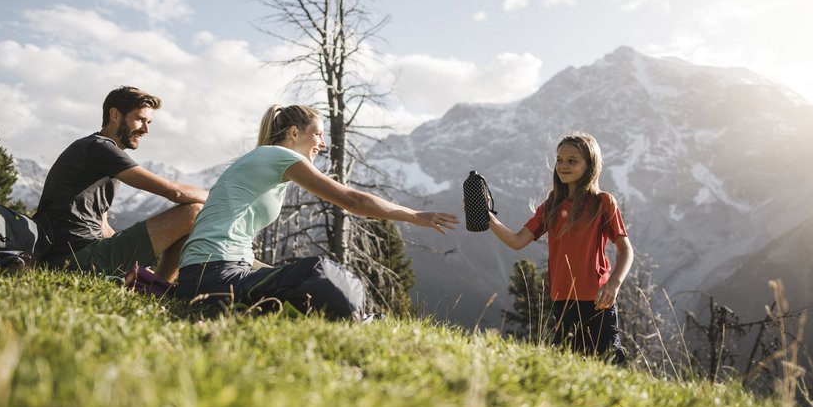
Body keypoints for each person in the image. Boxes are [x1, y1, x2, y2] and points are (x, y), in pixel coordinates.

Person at [175, 104, 459, 316]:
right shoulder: (278, 156)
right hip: (213, 276)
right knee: (319, 271)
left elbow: (235, 247)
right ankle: (357, 318)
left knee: (303, 278)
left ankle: (354, 317)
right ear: (294, 133)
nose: (323, 144)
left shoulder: (265, 160)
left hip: (209, 275)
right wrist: (414, 216)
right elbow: (352, 201)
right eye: (318, 134)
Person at [485, 132, 634, 363]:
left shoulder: (603, 202)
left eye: (572, 161)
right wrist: (486, 216)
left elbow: (626, 250)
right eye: (559, 160)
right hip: (562, 301)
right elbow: (517, 241)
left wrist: (613, 283)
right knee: (568, 363)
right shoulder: (551, 206)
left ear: (590, 165)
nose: (563, 165)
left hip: (598, 300)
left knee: (609, 362)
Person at [35, 86, 208, 280]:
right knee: (194, 211)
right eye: (140, 119)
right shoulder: (100, 147)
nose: (146, 129)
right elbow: (175, 192)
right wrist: (220, 198)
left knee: (190, 219)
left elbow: (103, 227)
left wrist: (136, 264)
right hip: (77, 258)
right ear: (115, 115)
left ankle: (154, 282)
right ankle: (158, 286)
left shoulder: (95, 151)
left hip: (75, 254)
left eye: (149, 122)